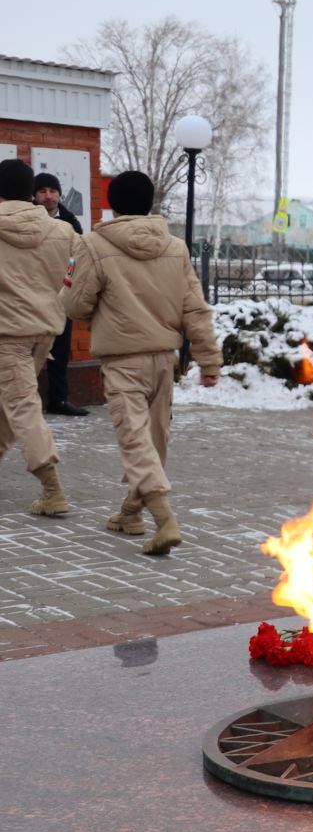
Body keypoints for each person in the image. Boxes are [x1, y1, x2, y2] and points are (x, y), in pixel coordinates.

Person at [62, 170, 221, 553]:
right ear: (150, 202)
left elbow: (76, 304)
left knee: (135, 442)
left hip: (122, 361)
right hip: (164, 361)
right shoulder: (175, 248)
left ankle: (165, 521)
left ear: (111, 203)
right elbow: (194, 309)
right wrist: (209, 360)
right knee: (153, 439)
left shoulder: (93, 244)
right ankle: (131, 512)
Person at [0, 158, 78, 515]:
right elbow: (84, 274)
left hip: (7, 335)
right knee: (10, 404)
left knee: (22, 405)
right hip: (44, 333)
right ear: (31, 192)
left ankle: (53, 489)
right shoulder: (62, 231)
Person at [32, 172, 88, 418]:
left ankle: (59, 399)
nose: (48, 196)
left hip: (60, 296)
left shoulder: (70, 222)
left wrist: (68, 281)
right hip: (30, 296)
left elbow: (77, 259)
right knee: (27, 351)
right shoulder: (27, 220)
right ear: (34, 195)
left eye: (52, 191)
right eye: (42, 191)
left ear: (59, 194)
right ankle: (25, 403)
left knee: (61, 349)